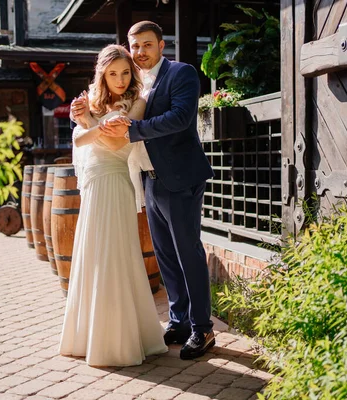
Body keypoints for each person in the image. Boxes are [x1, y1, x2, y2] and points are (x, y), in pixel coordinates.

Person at [72, 21, 216, 360]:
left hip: (179, 177)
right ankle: (179, 321)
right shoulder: (133, 84)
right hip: (147, 177)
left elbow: (180, 118)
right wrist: (86, 116)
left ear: (162, 45)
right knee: (165, 255)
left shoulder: (182, 74)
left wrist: (133, 128)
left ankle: (202, 328)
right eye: (135, 46)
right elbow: (99, 121)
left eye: (147, 45)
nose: (140, 52)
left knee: (187, 251)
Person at [58, 44, 168, 367]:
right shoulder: (91, 100)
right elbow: (79, 141)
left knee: (118, 253)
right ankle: (86, 335)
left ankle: (122, 339)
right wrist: (89, 121)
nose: (119, 80)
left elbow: (118, 141)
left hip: (118, 179)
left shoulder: (138, 102)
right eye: (112, 74)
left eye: (124, 73)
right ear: (102, 75)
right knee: (92, 252)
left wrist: (89, 121)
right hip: (94, 183)